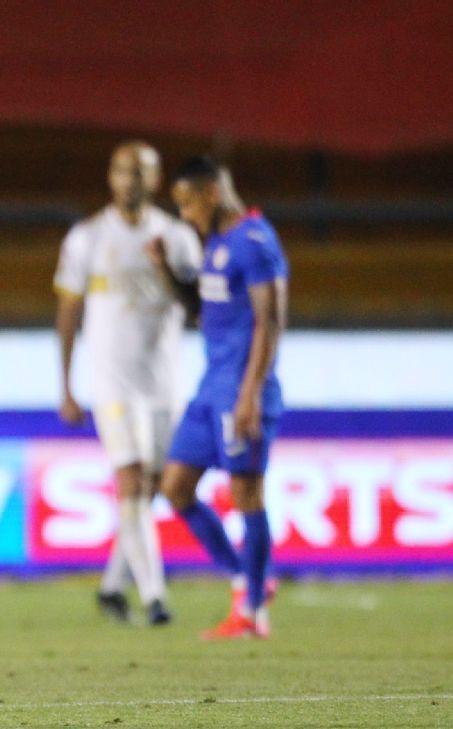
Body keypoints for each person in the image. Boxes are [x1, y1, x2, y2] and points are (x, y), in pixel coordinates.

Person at [55, 141, 201, 627]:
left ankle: (113, 586)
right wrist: (67, 385)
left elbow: (196, 308)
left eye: (140, 172)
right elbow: (68, 311)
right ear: (111, 178)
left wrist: (163, 267)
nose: (130, 180)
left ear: (155, 181)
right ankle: (156, 596)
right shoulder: (88, 237)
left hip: (163, 383)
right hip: (113, 383)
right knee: (133, 481)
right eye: (122, 171)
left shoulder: (177, 236)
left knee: (151, 488)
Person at [149, 156, 288, 640]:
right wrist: (166, 269)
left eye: (186, 204)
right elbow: (202, 314)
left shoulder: (255, 243)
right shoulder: (218, 246)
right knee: (175, 487)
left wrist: (249, 394)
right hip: (211, 389)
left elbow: (270, 322)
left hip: (242, 390)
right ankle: (246, 578)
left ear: (210, 193)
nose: (185, 215)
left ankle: (251, 611)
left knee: (246, 495)